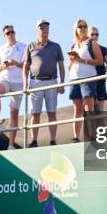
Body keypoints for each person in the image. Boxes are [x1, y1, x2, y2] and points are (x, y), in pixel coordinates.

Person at [23, 19, 65, 147]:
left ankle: (52, 140)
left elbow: (61, 66)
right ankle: (33, 141)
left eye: (46, 27)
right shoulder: (30, 46)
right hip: (35, 82)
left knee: (52, 112)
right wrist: (25, 83)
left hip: (52, 81)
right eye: (41, 28)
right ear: (37, 30)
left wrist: (62, 83)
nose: (44, 30)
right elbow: (25, 67)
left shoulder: (56, 46)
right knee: (35, 113)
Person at [0, 25, 27, 150]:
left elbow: (29, 66)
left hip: (19, 82)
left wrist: (16, 63)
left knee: (14, 113)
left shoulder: (24, 46)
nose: (10, 34)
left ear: (15, 33)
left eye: (12, 32)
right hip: (5, 79)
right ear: (4, 36)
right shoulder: (1, 49)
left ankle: (11, 145)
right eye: (7, 33)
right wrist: (3, 66)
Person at [68, 19, 103, 142]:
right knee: (77, 109)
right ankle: (76, 137)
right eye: (80, 26)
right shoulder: (73, 46)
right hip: (74, 79)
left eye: (84, 26)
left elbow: (100, 61)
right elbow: (69, 67)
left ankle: (92, 135)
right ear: (76, 30)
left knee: (89, 107)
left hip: (88, 78)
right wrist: (73, 60)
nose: (82, 28)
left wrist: (83, 60)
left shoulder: (91, 43)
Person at [89, 26, 107, 112]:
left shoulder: (103, 49)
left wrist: (101, 70)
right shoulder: (84, 49)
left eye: (97, 34)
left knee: (100, 111)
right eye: (92, 34)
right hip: (88, 82)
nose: (95, 36)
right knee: (89, 110)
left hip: (100, 81)